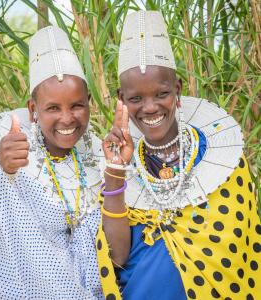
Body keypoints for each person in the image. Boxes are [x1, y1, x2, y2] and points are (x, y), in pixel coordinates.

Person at [97, 10, 261, 300]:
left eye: (161, 94)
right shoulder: (121, 165)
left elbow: (239, 253)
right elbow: (118, 257)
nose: (149, 108)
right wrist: (115, 171)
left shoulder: (225, 162)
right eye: (136, 98)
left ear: (177, 90)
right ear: (122, 99)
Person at [0, 25, 104, 299]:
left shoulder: (98, 156)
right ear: (33, 110)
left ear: (89, 103)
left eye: (77, 105)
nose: (67, 119)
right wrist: (2, 171)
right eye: (53, 108)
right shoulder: (5, 151)